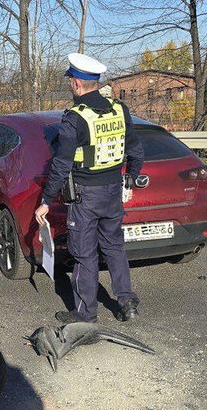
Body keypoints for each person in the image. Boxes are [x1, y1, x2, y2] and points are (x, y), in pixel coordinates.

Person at [34, 53, 144, 324]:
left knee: (84, 255)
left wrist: (46, 200)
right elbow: (135, 150)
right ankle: (127, 301)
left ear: (76, 83)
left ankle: (86, 315)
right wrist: (130, 178)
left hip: (86, 196)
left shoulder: (75, 117)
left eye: (70, 80)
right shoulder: (119, 109)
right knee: (114, 247)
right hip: (113, 191)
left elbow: (61, 164)